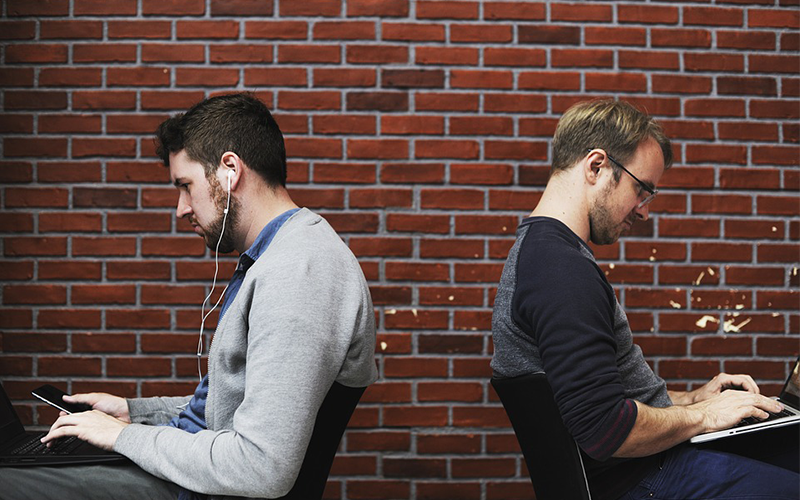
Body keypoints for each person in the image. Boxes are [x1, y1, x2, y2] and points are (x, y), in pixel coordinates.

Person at [2, 93, 378, 499]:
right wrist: (135, 414)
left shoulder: (299, 273)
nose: (181, 209)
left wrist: (121, 438)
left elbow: (261, 466)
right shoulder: (279, 253)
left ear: (230, 170)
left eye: (186, 185)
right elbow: (233, 408)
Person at [490, 99, 799, 500]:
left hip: (643, 468)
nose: (644, 210)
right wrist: (703, 416)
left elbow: (594, 398)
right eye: (642, 189)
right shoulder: (559, 270)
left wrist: (690, 399)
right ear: (596, 166)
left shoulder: (543, 254)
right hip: (641, 478)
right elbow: (606, 428)